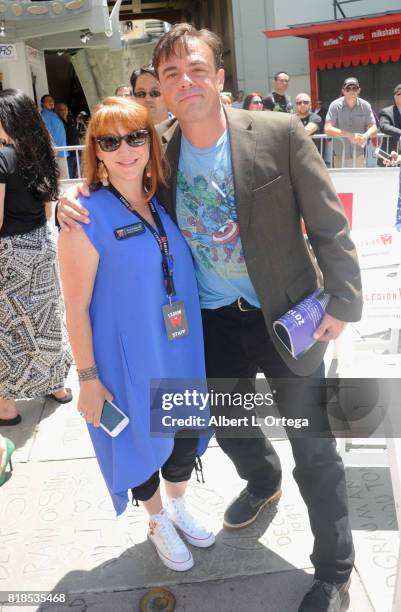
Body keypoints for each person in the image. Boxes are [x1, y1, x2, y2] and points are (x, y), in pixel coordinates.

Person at [58, 24, 362, 612]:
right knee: (228, 427)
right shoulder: (157, 151)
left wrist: (343, 302)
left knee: (316, 449)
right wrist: (69, 201)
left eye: (196, 68)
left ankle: (335, 568)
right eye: (171, 74)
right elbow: (114, 192)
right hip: (209, 325)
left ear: (219, 77)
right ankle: (263, 478)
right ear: (162, 91)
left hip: (289, 318)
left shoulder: (277, 131)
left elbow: (328, 223)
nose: (186, 82)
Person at [57, 96, 215, 572]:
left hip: (179, 349)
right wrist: (87, 378)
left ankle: (179, 505)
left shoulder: (162, 200)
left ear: (149, 142)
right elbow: (75, 308)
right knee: (138, 442)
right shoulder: (83, 216)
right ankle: (155, 519)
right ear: (96, 151)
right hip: (127, 357)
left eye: (135, 136)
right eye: (111, 140)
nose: (125, 149)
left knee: (184, 433)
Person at [0, 89, 72, 426]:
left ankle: (6, 406)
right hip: (41, 245)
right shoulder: (42, 153)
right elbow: (47, 209)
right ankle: (56, 385)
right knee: (46, 320)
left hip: (9, 253)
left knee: (8, 329)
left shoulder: (2, 157)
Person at [324, 77, 377, 167]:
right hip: (340, 156)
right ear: (343, 91)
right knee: (341, 181)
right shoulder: (335, 105)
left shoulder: (366, 105)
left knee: (359, 181)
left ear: (359, 90)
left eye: (354, 88)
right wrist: (350, 135)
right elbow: (327, 128)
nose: (351, 91)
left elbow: (374, 127)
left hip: (359, 155)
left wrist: (365, 136)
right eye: (348, 89)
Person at [40, 94, 68, 179]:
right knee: (62, 180)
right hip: (56, 153)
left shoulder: (53, 114)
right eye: (48, 101)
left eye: (52, 100)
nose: (51, 102)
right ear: (42, 104)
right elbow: (47, 134)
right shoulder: (45, 115)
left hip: (61, 151)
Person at [55, 103, 81, 178]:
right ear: (57, 111)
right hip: (67, 153)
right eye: (61, 110)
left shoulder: (71, 119)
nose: (64, 111)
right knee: (69, 176)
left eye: (65, 109)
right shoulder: (58, 122)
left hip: (77, 151)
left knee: (77, 175)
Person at [379, 84, 401, 157]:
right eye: (399, 94)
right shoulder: (386, 111)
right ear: (395, 96)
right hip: (390, 157)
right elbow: (384, 126)